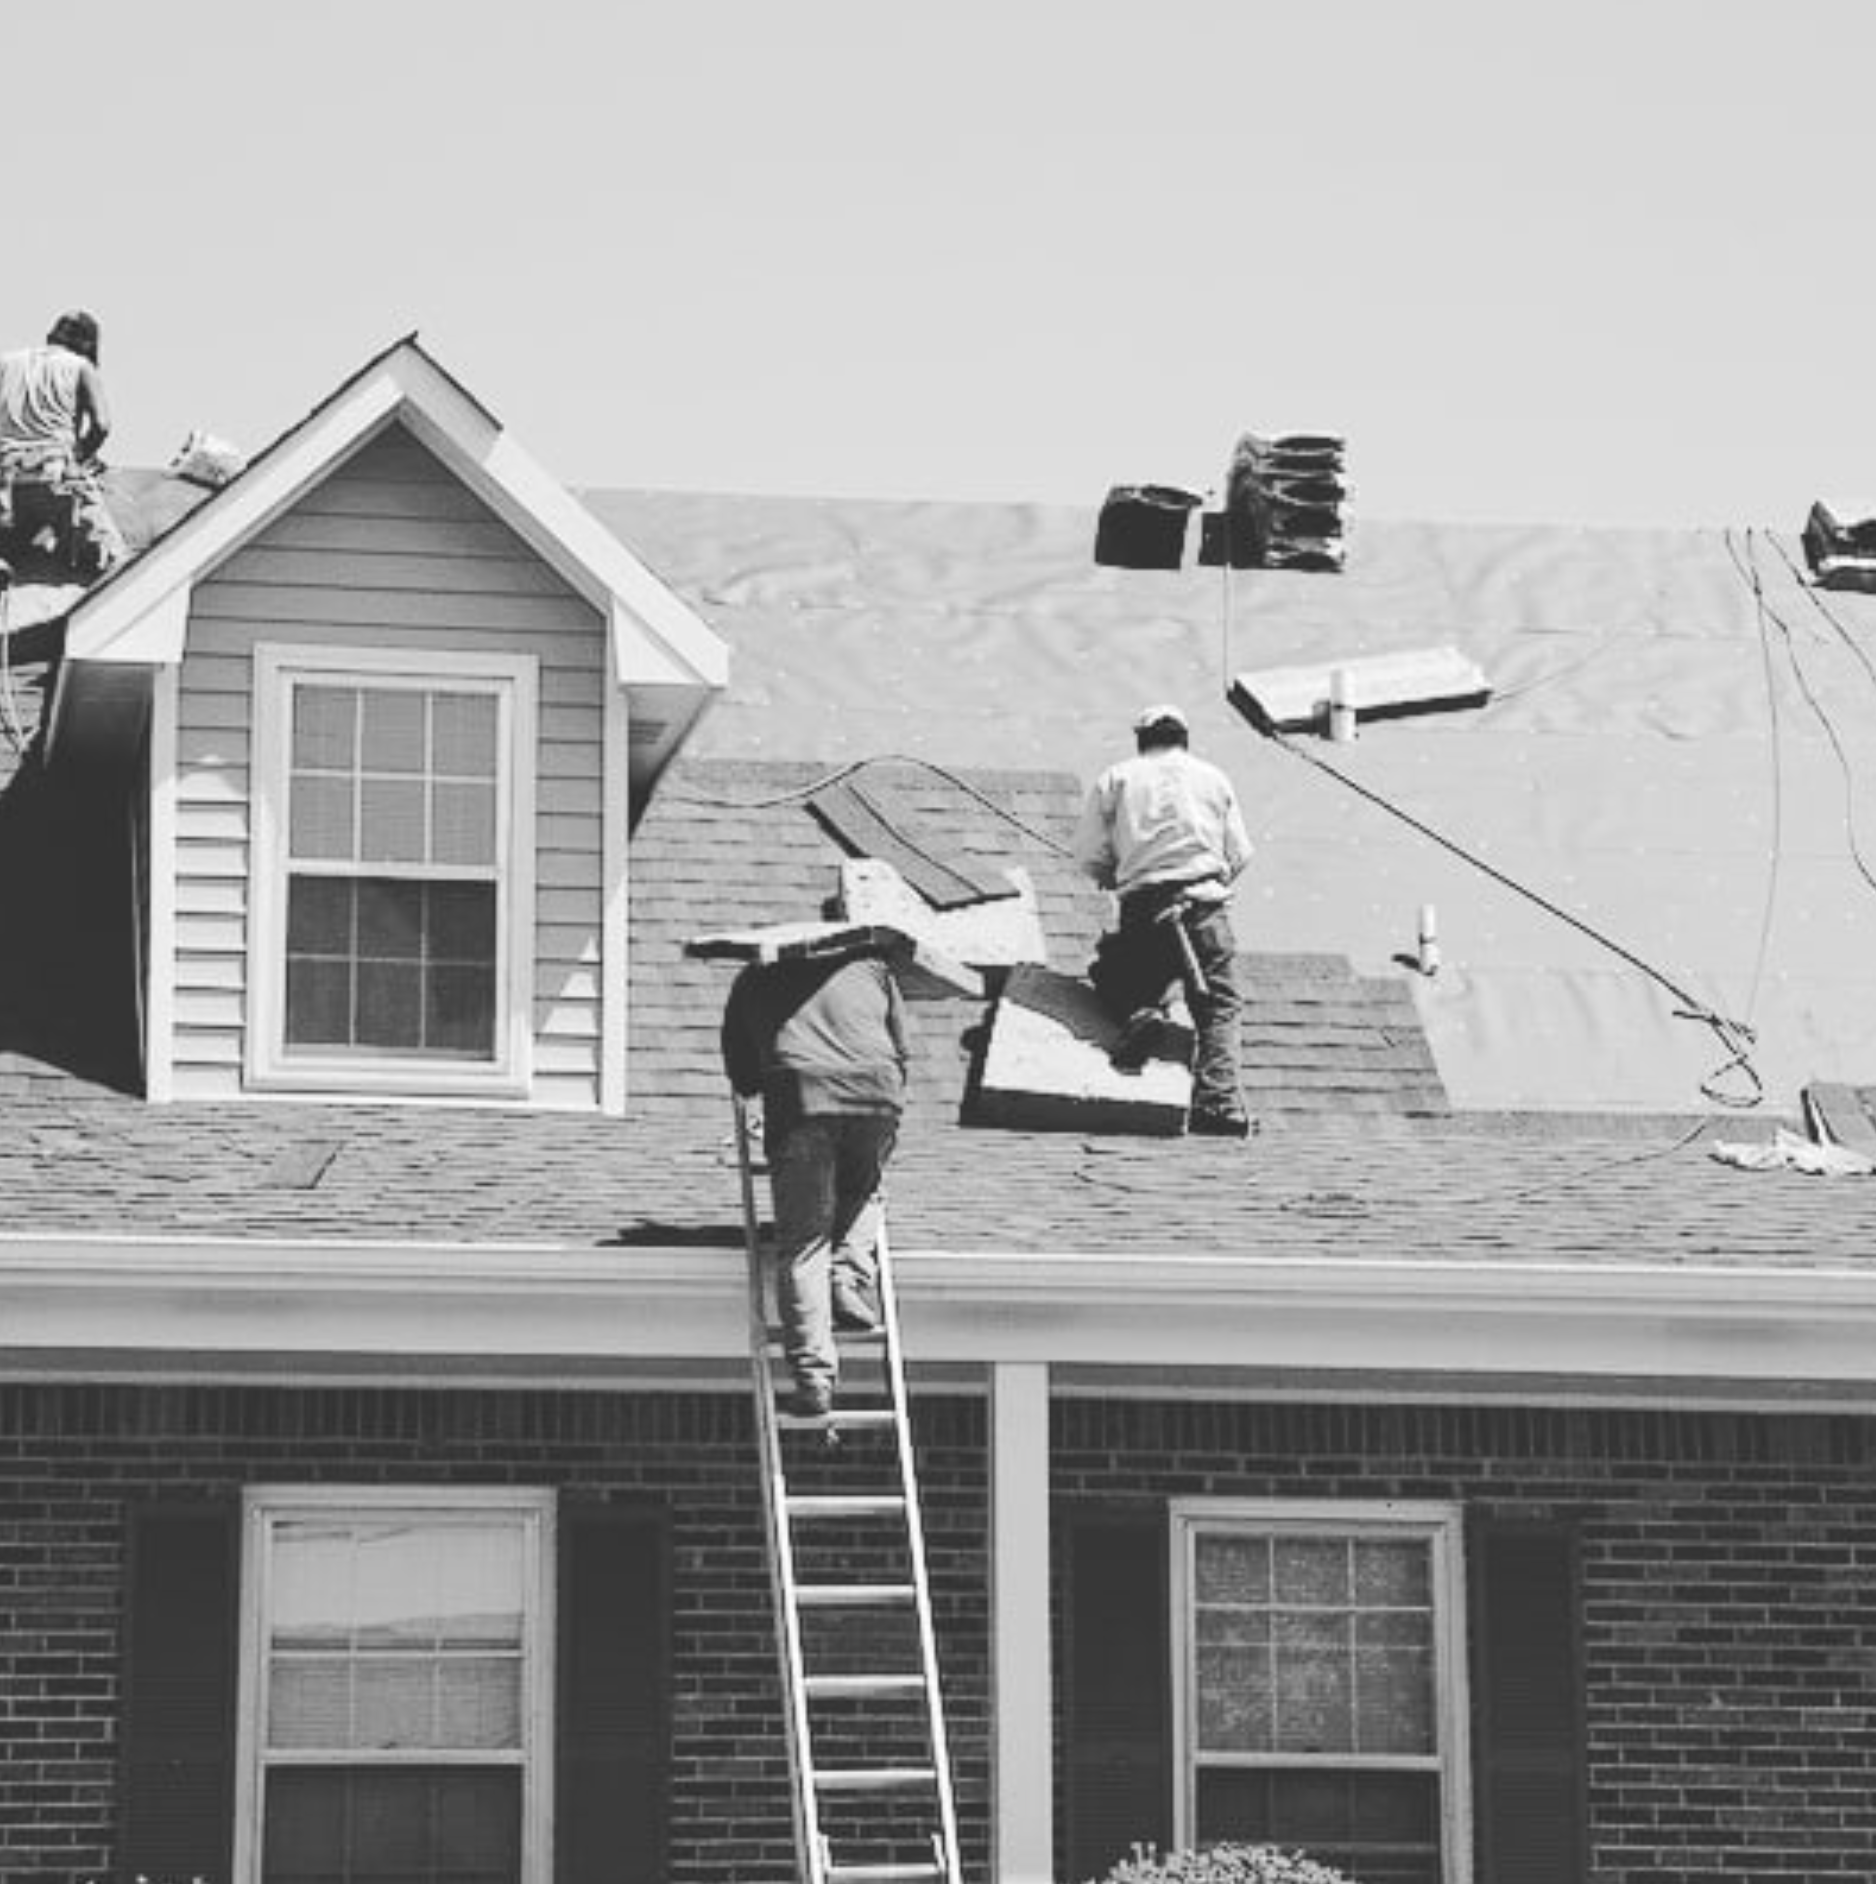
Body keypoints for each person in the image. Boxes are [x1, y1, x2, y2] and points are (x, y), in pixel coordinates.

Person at [721, 945, 911, 1418]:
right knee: (864, 1191)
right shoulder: (871, 967)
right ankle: (846, 1277)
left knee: (805, 1242)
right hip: (877, 1094)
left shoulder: (756, 975)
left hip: (802, 1101)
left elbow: (744, 1078)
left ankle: (814, 1378)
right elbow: (902, 1049)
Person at [1075, 703, 1255, 1137]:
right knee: (1219, 1006)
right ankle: (1218, 1102)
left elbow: (1089, 855)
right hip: (1204, 907)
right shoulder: (1213, 778)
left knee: (1112, 973)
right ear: (1185, 739)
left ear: (1141, 742)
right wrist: (1209, 877)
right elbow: (1241, 853)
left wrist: (1114, 874)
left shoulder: (1116, 778)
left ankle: (1140, 1012)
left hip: (1146, 910)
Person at [0, 311, 126, 582]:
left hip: (5, 484)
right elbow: (102, 425)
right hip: (53, 477)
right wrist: (80, 457)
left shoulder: (6, 362)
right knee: (112, 561)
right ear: (88, 344)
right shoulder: (80, 367)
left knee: (15, 541)